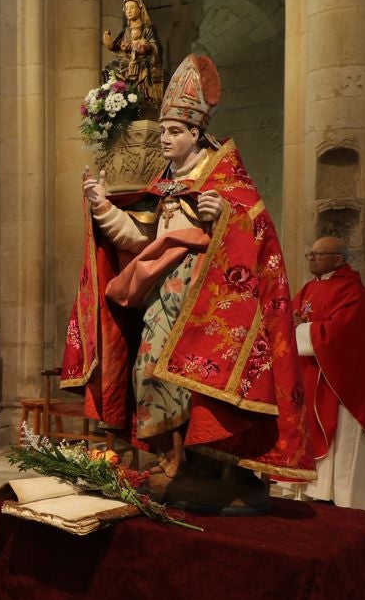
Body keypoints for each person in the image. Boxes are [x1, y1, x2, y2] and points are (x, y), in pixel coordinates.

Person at [62, 53, 312, 511]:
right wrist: (102, 206)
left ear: (196, 133)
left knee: (198, 388)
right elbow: (140, 240)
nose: (166, 140)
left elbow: (252, 239)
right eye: (162, 132)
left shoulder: (227, 186)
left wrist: (225, 220)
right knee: (149, 374)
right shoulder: (166, 186)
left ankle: (206, 467)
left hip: (208, 309)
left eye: (174, 132)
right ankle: (173, 459)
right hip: (163, 300)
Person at [281, 237, 365, 509]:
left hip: (345, 385)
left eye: (319, 254)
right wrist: (295, 322)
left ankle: (342, 496)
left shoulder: (352, 292)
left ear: (339, 258)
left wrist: (302, 327)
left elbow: (337, 336)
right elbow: (292, 317)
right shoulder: (310, 288)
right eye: (310, 254)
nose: (311, 258)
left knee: (343, 445)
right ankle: (312, 490)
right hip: (312, 377)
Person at [101, 0, 164, 115]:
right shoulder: (126, 31)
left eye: (132, 8)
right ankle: (118, 102)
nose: (129, 11)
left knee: (142, 66)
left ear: (139, 8)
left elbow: (156, 47)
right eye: (126, 8)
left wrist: (146, 46)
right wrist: (109, 44)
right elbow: (117, 46)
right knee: (109, 69)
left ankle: (142, 101)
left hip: (141, 61)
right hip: (125, 62)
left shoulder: (147, 29)